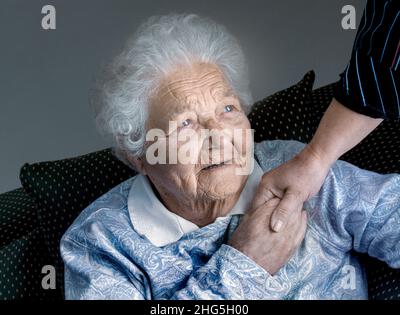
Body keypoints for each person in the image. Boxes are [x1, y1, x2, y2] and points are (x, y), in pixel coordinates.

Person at [61, 13, 400, 300]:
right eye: (186, 124)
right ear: (139, 156)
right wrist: (245, 264)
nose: (218, 135)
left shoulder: (297, 169)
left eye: (227, 109)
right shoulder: (101, 242)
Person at [266, 0, 400, 233]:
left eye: (227, 109)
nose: (213, 129)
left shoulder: (281, 156)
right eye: (186, 122)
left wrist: (317, 156)